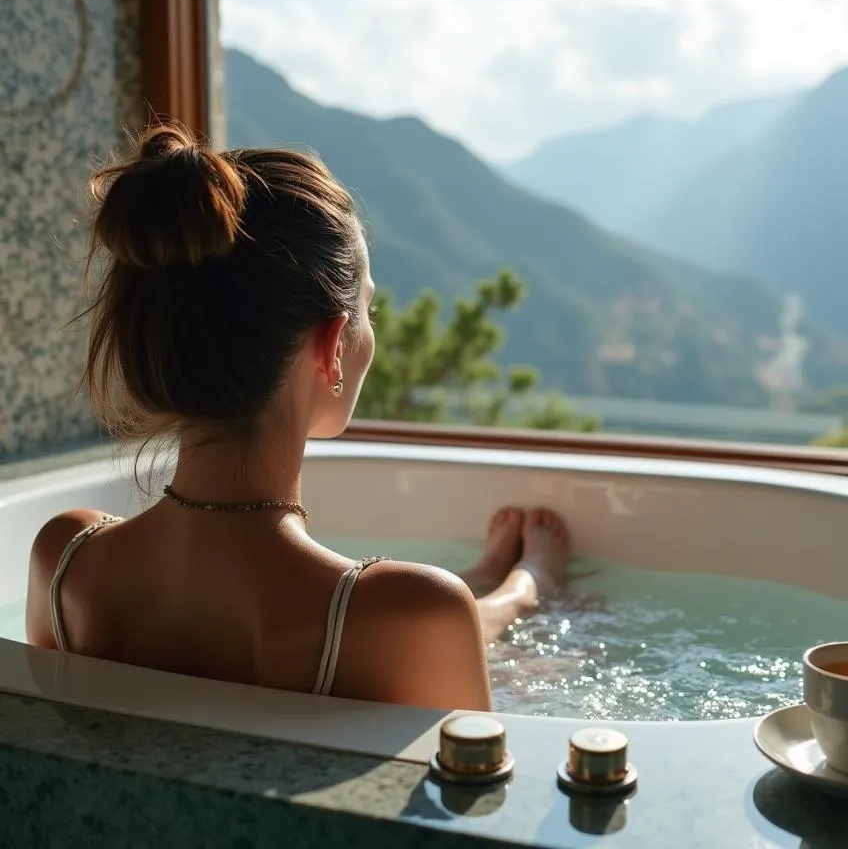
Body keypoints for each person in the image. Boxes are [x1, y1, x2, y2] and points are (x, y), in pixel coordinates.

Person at [25, 123, 570, 711]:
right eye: (370, 308)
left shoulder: (64, 561)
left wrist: (485, 584)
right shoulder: (416, 609)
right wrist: (525, 586)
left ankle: (502, 584)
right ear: (332, 344)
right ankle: (520, 590)